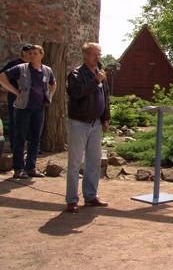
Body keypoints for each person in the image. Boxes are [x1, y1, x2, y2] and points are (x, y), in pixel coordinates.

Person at [65, 42, 110, 213]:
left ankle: (90, 196)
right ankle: (71, 199)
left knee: (94, 162)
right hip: (79, 123)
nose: (98, 57)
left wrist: (106, 117)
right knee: (75, 163)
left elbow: (106, 98)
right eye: (94, 54)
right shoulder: (76, 74)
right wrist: (95, 80)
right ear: (84, 55)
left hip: (96, 124)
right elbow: (77, 93)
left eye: (99, 54)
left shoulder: (101, 74)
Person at [0, 45, 56, 179]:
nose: (32, 56)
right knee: (20, 138)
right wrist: (14, 91)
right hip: (23, 108)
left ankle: (31, 167)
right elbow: (2, 76)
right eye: (30, 53)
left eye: (35, 53)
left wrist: (49, 96)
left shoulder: (47, 70)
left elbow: (53, 84)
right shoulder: (21, 68)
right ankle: (18, 168)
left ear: (42, 55)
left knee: (35, 139)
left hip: (39, 109)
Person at [0, 44, 32, 152]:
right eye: (28, 51)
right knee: (15, 120)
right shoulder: (14, 64)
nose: (30, 54)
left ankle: (28, 145)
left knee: (29, 120)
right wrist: (13, 89)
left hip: (29, 97)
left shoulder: (33, 65)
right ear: (23, 52)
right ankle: (14, 145)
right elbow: (2, 75)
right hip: (15, 95)